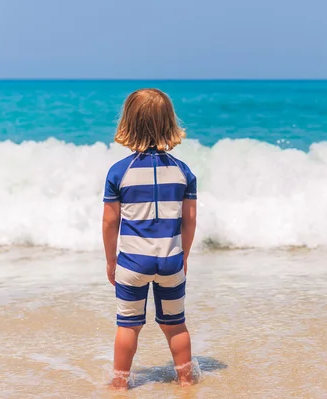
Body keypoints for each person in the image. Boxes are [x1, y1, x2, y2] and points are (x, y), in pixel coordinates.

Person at [101, 88, 198, 389]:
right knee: (175, 323)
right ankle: (185, 379)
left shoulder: (119, 172)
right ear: (169, 123)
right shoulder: (183, 172)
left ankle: (120, 384)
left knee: (128, 326)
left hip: (132, 262)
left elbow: (109, 221)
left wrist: (110, 259)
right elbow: (190, 219)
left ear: (128, 124)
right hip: (170, 260)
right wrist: (184, 255)